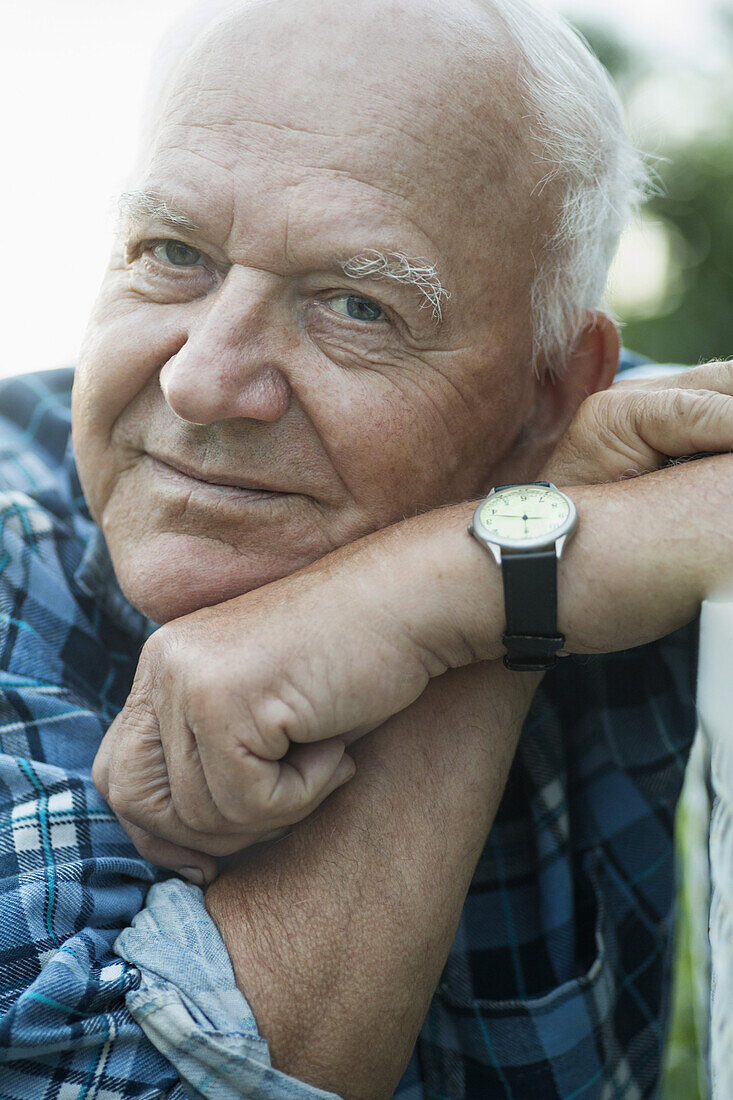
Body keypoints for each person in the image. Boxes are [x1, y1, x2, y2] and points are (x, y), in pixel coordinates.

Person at [0, 0, 731, 1097]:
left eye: (355, 305)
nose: (202, 379)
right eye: (173, 253)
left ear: (547, 391)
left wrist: (426, 592)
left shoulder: (598, 452)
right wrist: (495, 589)